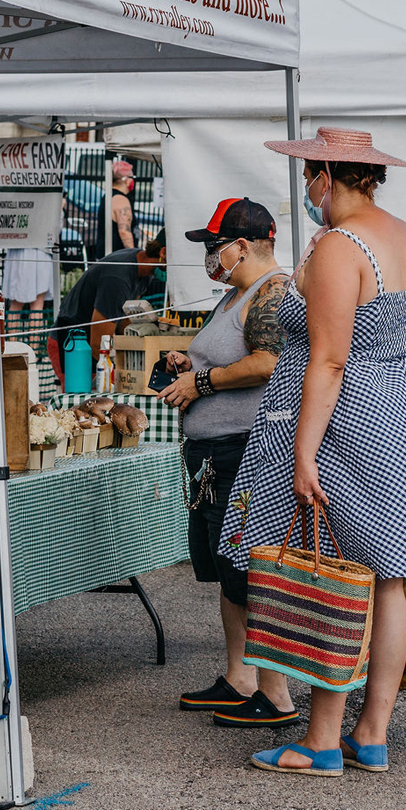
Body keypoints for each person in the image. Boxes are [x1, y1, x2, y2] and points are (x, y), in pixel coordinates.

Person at [222, 127, 406, 777]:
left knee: (337, 575)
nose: (304, 186)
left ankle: (321, 739)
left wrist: (304, 451)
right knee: (390, 579)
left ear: (327, 173)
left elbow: (328, 359)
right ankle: (370, 733)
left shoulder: (338, 246)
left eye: (307, 174)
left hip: (356, 419)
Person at [159, 199, 295, 727]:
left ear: (243, 245)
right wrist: (186, 363)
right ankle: (240, 679)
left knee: (249, 569)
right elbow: (228, 356)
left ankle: (276, 694)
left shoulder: (272, 292)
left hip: (243, 451)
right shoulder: (235, 295)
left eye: (216, 247)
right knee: (225, 569)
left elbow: (269, 361)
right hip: (213, 454)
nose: (211, 258)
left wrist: (203, 381)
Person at [53, 233, 167, 355]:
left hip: (83, 343)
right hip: (71, 345)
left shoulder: (143, 269)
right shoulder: (117, 278)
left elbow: (125, 319)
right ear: (163, 253)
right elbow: (99, 344)